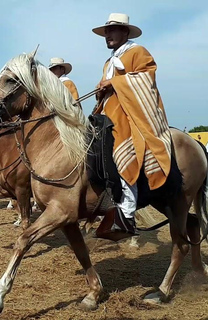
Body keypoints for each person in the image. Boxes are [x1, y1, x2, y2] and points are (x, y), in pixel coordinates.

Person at [92, 13, 172, 238]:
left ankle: (127, 212)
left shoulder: (138, 52)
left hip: (130, 116)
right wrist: (102, 89)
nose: (107, 35)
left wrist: (115, 81)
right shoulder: (109, 61)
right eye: (106, 31)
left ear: (125, 32)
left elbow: (147, 79)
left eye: (112, 30)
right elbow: (110, 88)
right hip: (109, 113)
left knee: (120, 153)